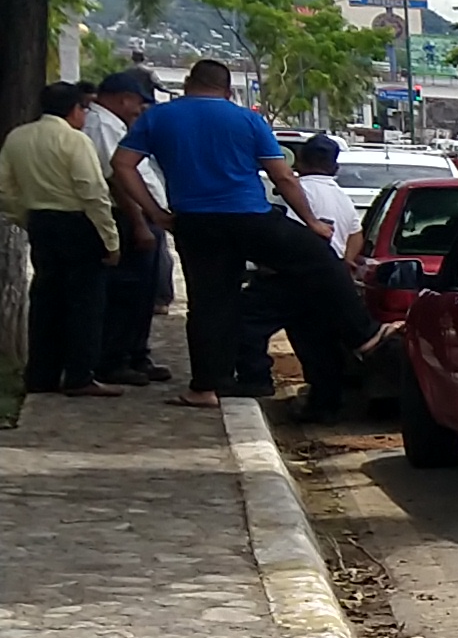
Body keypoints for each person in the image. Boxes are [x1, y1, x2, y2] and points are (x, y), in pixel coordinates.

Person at [112, 58, 373, 417]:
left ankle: (205, 386)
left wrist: (154, 213)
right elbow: (282, 176)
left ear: (189, 83)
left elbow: (122, 164)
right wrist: (311, 222)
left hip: (194, 221)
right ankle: (364, 334)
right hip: (249, 216)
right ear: (227, 89)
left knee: (208, 304)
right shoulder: (247, 119)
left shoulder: (158, 118)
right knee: (318, 259)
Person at [6, 82, 120, 393]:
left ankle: (41, 375)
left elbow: (4, 187)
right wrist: (110, 239)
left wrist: (24, 216)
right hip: (77, 223)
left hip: (40, 221)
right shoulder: (75, 141)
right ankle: (79, 375)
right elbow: (93, 193)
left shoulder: (17, 137)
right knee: (85, 303)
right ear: (74, 109)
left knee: (45, 298)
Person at [87, 64, 173, 384]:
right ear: (124, 99)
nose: (141, 109)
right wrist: (138, 221)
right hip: (127, 215)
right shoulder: (102, 126)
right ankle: (115, 358)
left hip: (144, 214)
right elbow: (117, 179)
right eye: (138, 102)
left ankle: (136, 353)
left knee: (143, 292)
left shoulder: (116, 124)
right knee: (125, 291)